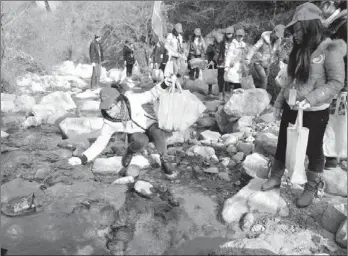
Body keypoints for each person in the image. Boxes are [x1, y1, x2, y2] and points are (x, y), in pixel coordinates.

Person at [261, 2, 346, 208]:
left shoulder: (329, 49)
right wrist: (279, 103)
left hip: (315, 111)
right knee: (283, 141)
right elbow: (290, 81)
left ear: (309, 27)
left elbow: (336, 82)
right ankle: (276, 176)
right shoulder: (298, 50)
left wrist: (311, 99)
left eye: (298, 29)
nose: (295, 34)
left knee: (314, 149)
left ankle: (310, 187)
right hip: (292, 106)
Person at [68, 76, 180, 180]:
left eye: (110, 107)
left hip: (149, 125)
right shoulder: (109, 122)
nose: (108, 111)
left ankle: (165, 160)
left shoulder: (131, 99)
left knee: (158, 131)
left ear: (119, 102)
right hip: (136, 134)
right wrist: (83, 158)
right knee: (141, 141)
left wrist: (164, 84)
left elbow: (150, 95)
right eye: (106, 108)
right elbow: (100, 143)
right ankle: (130, 152)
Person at [318, 0, 347, 169]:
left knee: (333, 118)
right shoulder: (335, 23)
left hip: (339, 81)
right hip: (335, 79)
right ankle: (331, 155)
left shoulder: (344, 24)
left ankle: (330, 157)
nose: (322, 7)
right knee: (333, 117)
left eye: (325, 3)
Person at [245, 24, 285, 90]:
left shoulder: (278, 40)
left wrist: (281, 60)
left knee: (264, 80)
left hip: (267, 64)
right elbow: (255, 48)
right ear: (274, 32)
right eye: (277, 36)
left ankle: (259, 95)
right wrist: (247, 58)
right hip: (258, 62)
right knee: (264, 80)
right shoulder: (264, 38)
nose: (277, 38)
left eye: (279, 37)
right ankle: (264, 97)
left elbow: (278, 51)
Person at [213, 27, 236, 101]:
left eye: (229, 34)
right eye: (227, 34)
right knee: (220, 78)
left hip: (231, 64)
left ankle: (226, 93)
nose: (228, 35)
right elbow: (217, 52)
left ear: (233, 34)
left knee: (228, 79)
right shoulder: (222, 43)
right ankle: (220, 93)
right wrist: (213, 60)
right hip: (221, 62)